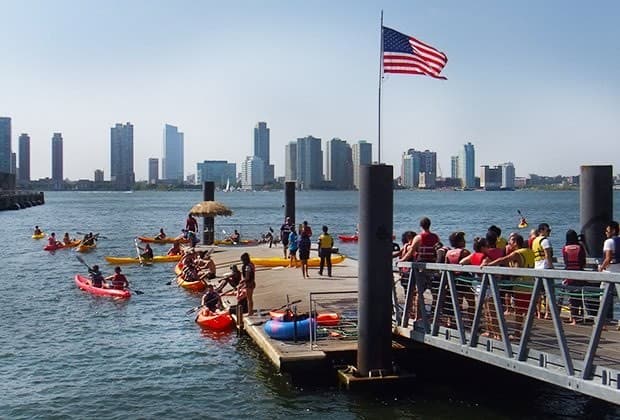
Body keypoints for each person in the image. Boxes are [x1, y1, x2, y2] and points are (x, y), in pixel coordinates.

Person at [484, 233, 535, 338]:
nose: (508, 243)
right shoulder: (530, 251)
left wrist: (489, 264)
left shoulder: (517, 253)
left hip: (521, 285)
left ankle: (517, 333)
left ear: (515, 242)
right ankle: (526, 332)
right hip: (531, 284)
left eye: (510, 241)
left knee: (519, 312)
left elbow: (503, 260)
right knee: (528, 310)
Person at [562, 229, 587, 325]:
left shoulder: (565, 248)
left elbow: (565, 261)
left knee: (571, 297)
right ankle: (580, 316)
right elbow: (583, 260)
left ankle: (573, 318)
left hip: (569, 274)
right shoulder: (580, 247)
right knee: (580, 295)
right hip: (579, 273)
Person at [599, 221, 620, 329]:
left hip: (609, 273)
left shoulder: (608, 242)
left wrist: (601, 267)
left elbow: (608, 258)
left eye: (607, 230)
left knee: (603, 299)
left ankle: (602, 323)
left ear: (613, 230)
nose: (606, 232)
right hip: (619, 273)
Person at [532, 223, 554, 319]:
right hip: (545, 268)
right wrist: (552, 268)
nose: (549, 232)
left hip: (537, 267)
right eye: (547, 230)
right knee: (549, 292)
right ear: (541, 231)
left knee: (538, 293)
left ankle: (538, 312)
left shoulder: (535, 241)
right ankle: (547, 313)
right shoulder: (545, 241)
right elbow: (548, 256)